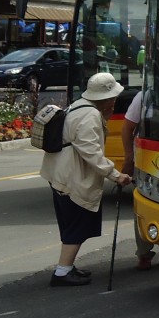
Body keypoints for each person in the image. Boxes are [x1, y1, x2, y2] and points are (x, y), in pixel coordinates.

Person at [42, 72, 131, 287]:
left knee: (72, 222)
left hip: (59, 173)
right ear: (106, 97)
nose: (115, 101)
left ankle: (68, 266)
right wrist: (116, 175)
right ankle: (62, 272)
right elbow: (91, 152)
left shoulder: (78, 106)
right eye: (113, 97)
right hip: (73, 177)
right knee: (77, 224)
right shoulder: (90, 115)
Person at [121, 91, 159, 270]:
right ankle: (144, 254)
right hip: (145, 158)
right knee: (142, 204)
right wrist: (129, 157)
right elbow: (127, 127)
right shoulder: (144, 95)